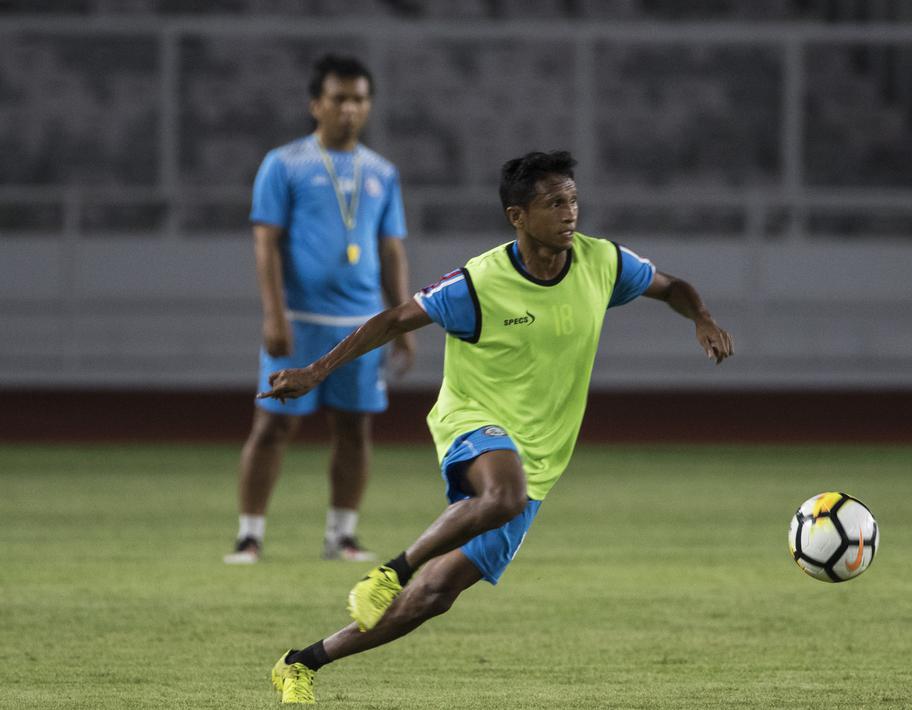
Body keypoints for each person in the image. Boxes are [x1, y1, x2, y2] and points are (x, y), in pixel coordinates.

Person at [260, 150, 733, 703]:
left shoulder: (603, 262)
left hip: (542, 455)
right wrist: (316, 371)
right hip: (472, 418)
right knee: (503, 494)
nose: (570, 213)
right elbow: (393, 320)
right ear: (518, 216)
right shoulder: (478, 283)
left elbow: (672, 286)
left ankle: (301, 663)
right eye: (553, 203)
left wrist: (702, 317)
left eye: (573, 199)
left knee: (436, 595)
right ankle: (391, 571)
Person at [224, 54, 415, 565]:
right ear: (316, 105)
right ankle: (249, 535)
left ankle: (342, 536)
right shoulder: (284, 164)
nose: (349, 109)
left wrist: (403, 323)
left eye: (359, 99)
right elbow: (265, 242)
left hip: (362, 324)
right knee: (274, 425)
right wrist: (274, 314)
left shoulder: (382, 172)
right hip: (301, 320)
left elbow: (391, 249)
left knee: (354, 428)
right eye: (339, 99)